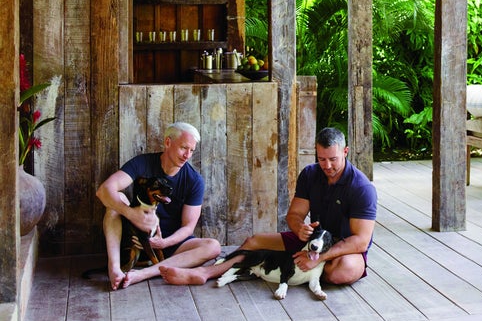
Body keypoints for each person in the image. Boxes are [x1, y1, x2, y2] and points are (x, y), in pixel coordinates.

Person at [160, 126, 377, 287]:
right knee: (254, 241)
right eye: (322, 159)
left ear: (346, 152)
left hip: (342, 248)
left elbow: (360, 241)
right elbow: (294, 215)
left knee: (342, 273)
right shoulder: (310, 174)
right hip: (311, 242)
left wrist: (319, 258)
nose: (327, 166)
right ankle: (206, 272)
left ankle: (285, 269)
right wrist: (299, 227)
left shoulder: (362, 187)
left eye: (333, 159)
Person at [97, 121, 221, 290]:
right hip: (136, 237)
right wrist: (133, 216)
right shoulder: (143, 163)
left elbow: (188, 227)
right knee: (115, 197)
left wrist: (164, 243)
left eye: (192, 150)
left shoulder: (194, 180)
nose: (187, 155)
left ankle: (145, 273)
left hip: (170, 244)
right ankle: (115, 269)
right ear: (168, 142)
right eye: (184, 148)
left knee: (213, 246)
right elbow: (104, 190)